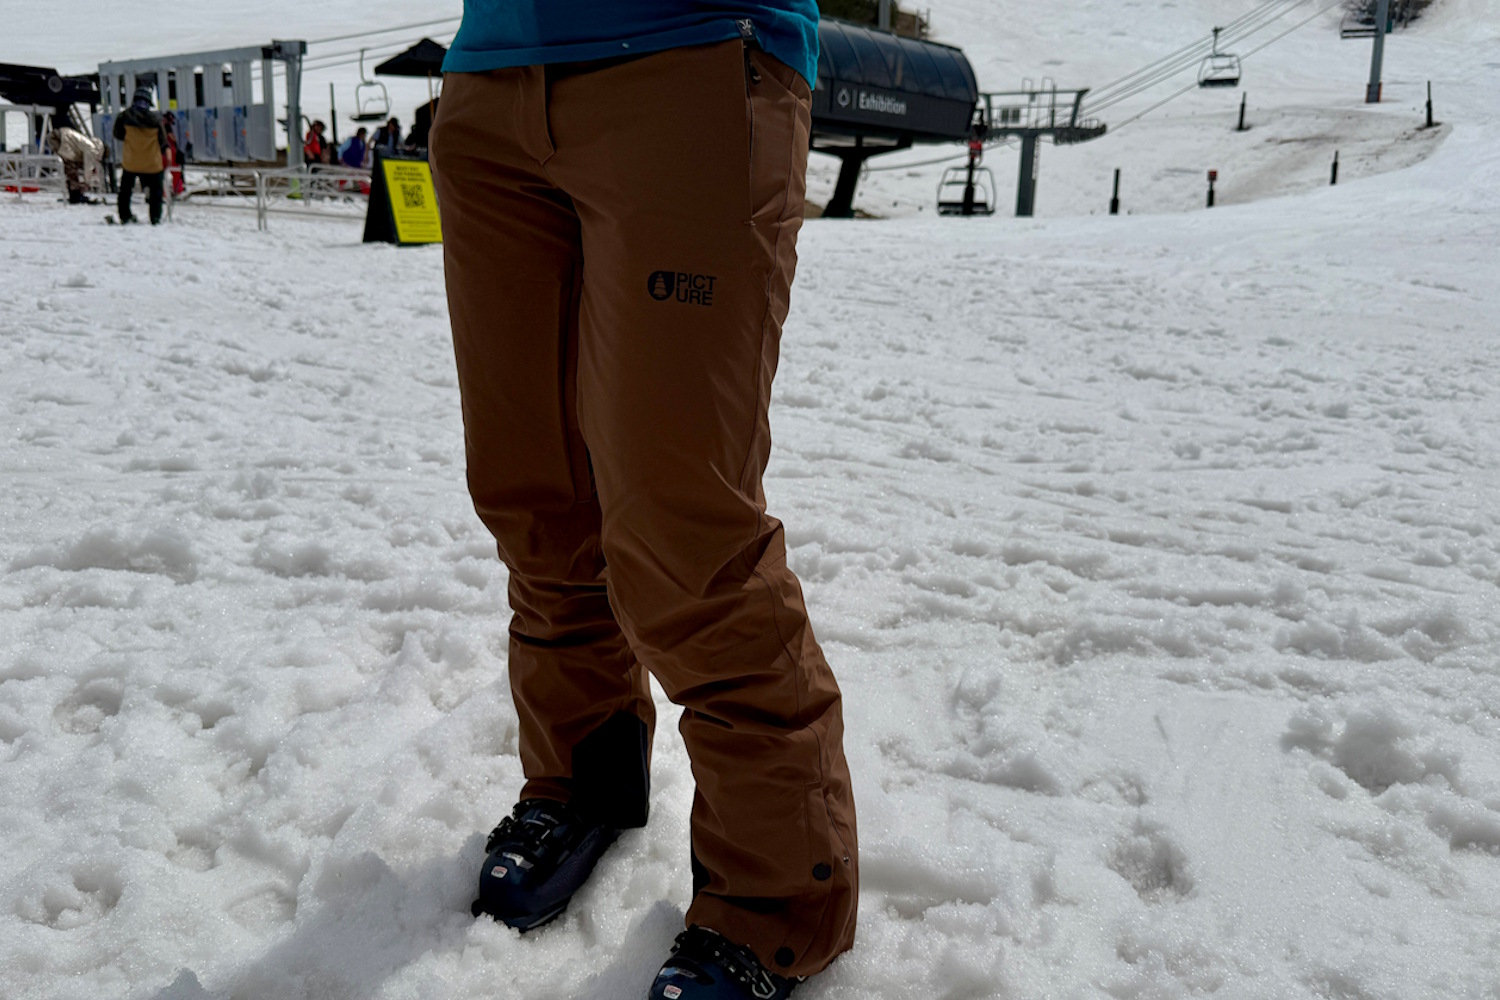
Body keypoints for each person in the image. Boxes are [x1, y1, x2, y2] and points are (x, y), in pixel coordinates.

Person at [429, 4, 856, 999]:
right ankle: (582, 778)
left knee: (682, 522)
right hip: (492, 74)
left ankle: (774, 894)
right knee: (534, 495)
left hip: (693, 50)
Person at [111, 86, 166, 224]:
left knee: (125, 190)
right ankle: (155, 217)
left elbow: (118, 135)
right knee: (156, 192)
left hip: (131, 161)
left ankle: (125, 215)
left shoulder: (124, 116)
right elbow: (162, 141)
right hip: (152, 162)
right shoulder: (156, 120)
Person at [47, 124, 104, 204]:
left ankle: (74, 194)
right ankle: (75, 195)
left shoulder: (87, 142)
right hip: (63, 140)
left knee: (70, 168)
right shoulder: (93, 149)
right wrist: (87, 182)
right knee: (72, 168)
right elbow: (89, 167)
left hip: (59, 134)